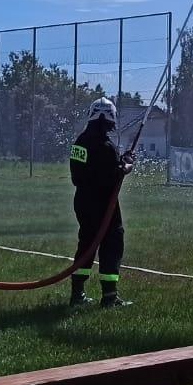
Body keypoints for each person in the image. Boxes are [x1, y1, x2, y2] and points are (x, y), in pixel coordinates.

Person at [68, 96, 134, 308]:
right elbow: (110, 177)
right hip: (104, 205)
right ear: (111, 118)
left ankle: (77, 294)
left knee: (86, 243)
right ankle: (109, 297)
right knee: (112, 244)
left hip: (83, 202)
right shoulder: (106, 146)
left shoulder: (80, 142)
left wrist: (119, 163)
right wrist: (125, 168)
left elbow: (84, 173)